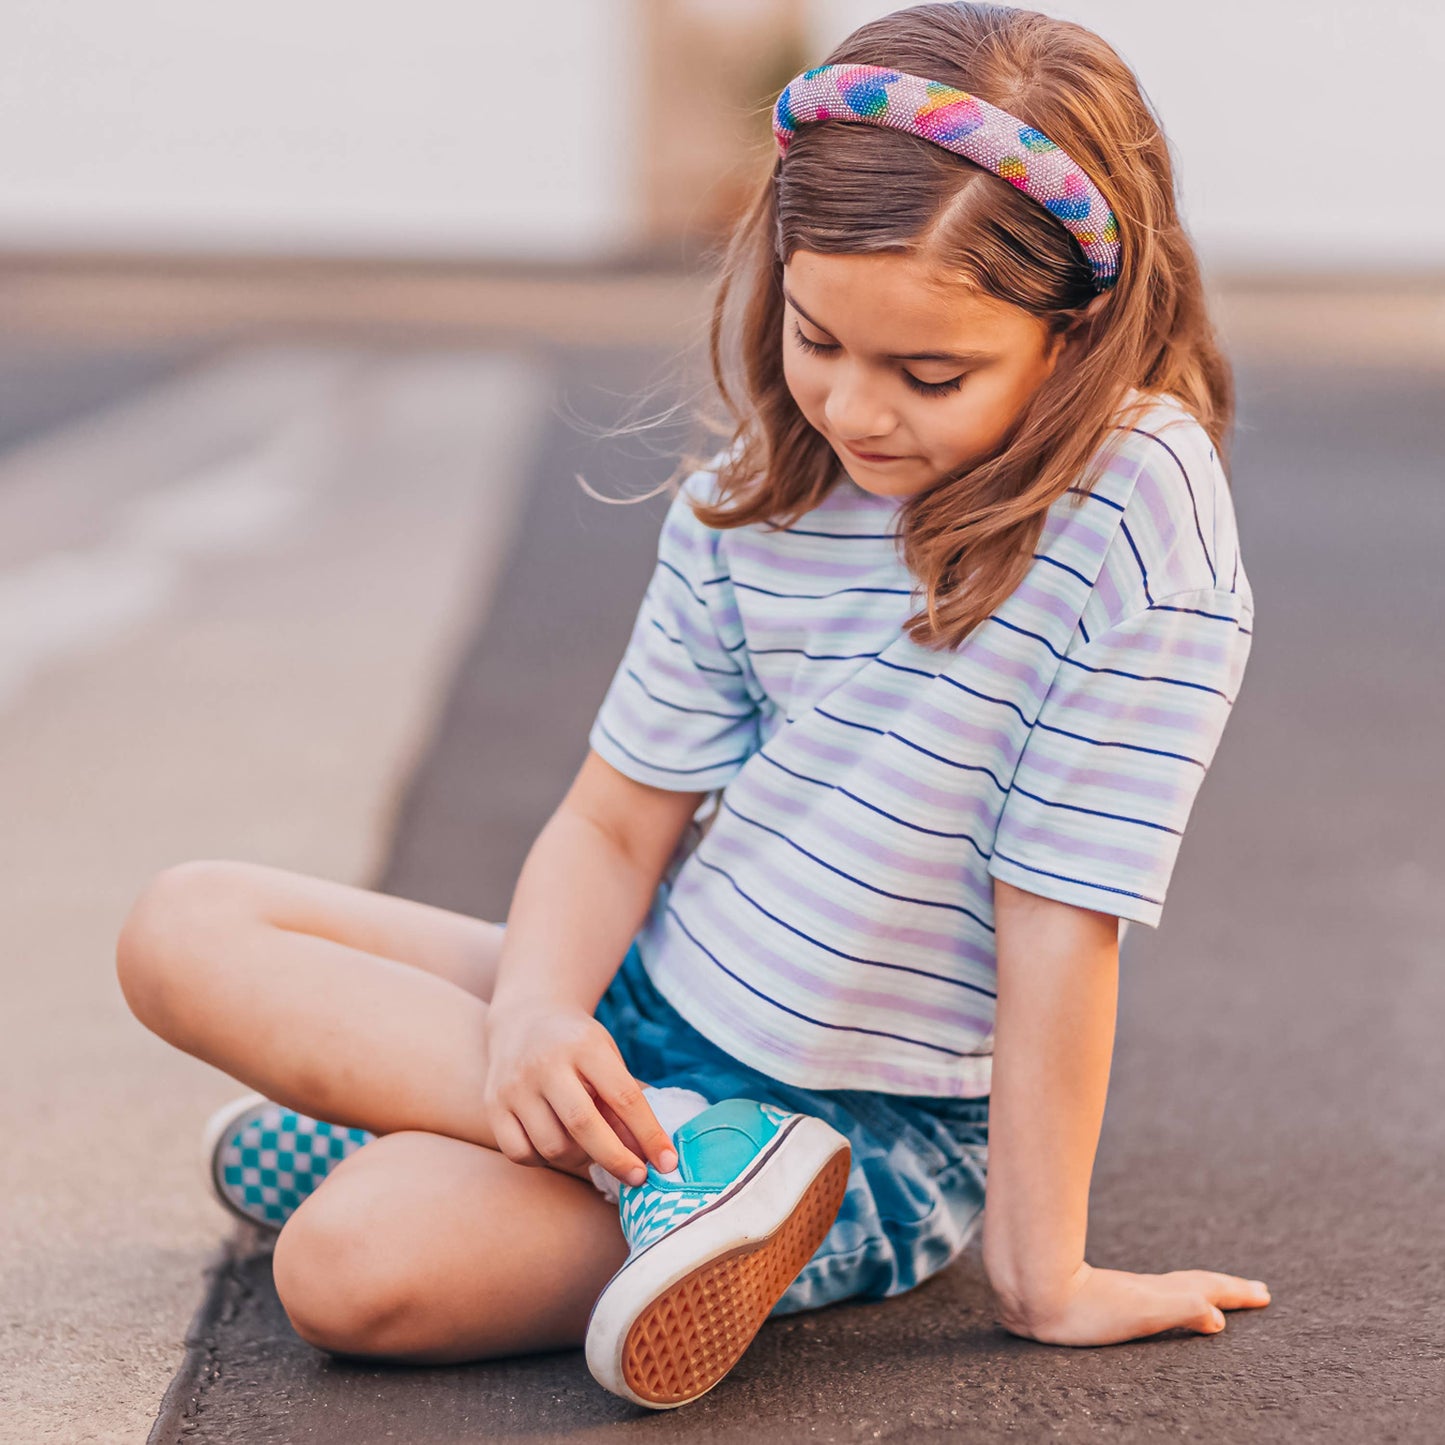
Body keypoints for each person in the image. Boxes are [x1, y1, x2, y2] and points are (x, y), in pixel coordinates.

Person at [115, 0, 1272, 1414]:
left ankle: (536, 1135)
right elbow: (611, 829)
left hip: (854, 1127)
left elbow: (1057, 912)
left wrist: (1045, 1278)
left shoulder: (1134, 513)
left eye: (931, 373)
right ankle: (628, 1135)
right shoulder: (750, 500)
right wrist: (540, 1014)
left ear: (1077, 331)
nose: (855, 408)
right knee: (182, 922)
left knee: (345, 1268)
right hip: (656, 1009)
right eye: (816, 337)